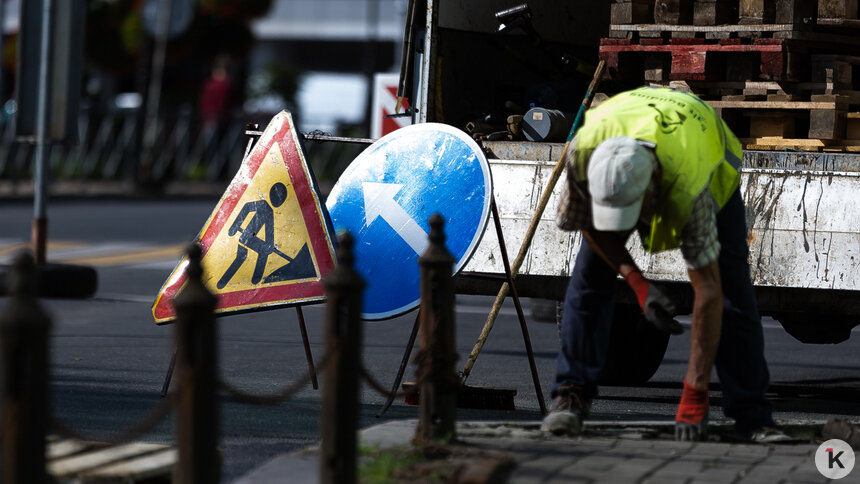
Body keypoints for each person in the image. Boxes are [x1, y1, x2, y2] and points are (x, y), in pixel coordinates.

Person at [542, 86, 786, 442]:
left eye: (631, 210)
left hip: (705, 152)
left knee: (731, 291)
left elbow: (708, 291)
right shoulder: (584, 152)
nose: (624, 223)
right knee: (590, 275)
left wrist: (695, 392)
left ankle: (752, 416)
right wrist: (638, 284)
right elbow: (588, 224)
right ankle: (570, 395)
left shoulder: (691, 185)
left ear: (654, 186)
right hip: (636, 129)